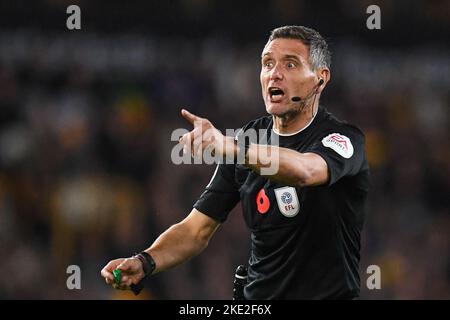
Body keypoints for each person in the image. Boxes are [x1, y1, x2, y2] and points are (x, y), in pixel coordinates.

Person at [101, 25, 369, 299]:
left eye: (290, 64)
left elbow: (304, 171)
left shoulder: (343, 139)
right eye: (268, 64)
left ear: (320, 79)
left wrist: (232, 148)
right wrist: (145, 261)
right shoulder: (247, 141)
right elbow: (196, 230)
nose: (275, 73)